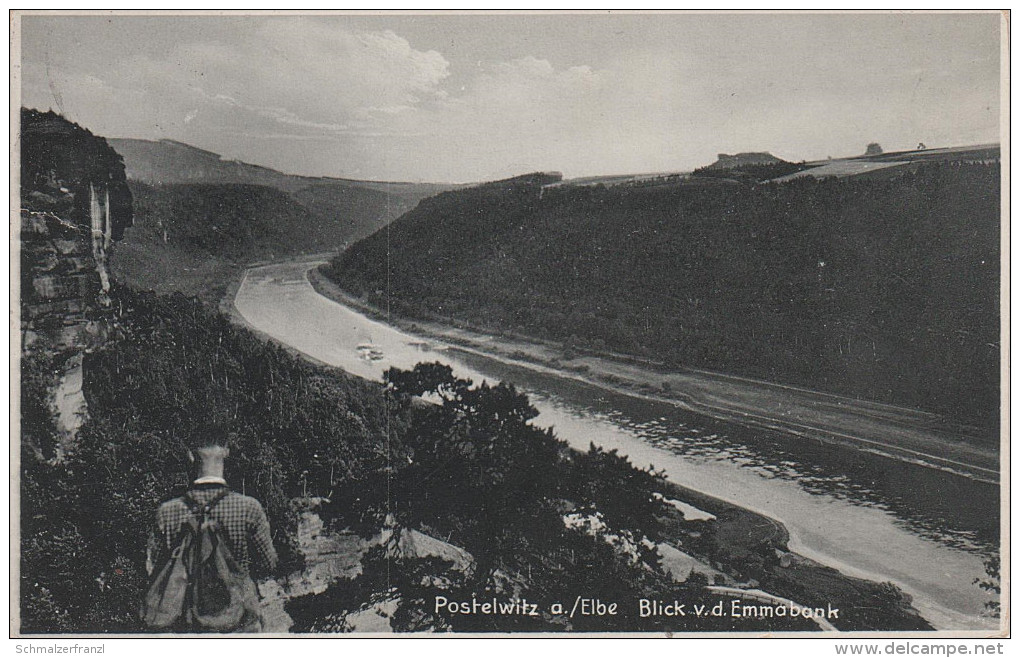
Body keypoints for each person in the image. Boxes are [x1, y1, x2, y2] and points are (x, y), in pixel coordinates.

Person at [146, 433, 278, 631]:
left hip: (187, 627)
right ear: (226, 452)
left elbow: (152, 568)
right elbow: (269, 563)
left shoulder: (166, 512)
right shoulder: (249, 508)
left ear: (190, 456)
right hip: (238, 623)